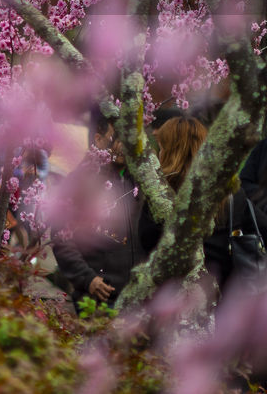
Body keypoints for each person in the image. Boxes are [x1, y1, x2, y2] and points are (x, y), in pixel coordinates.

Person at [138, 115, 260, 295]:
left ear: (171, 151)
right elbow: (260, 227)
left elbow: (147, 241)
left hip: (174, 303)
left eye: (162, 147)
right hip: (226, 301)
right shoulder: (230, 193)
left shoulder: (161, 195)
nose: (159, 153)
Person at [50, 111, 143, 308]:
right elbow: (60, 236)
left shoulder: (134, 179)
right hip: (97, 297)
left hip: (132, 300)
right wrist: (87, 278)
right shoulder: (80, 181)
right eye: (114, 138)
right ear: (98, 139)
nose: (121, 145)